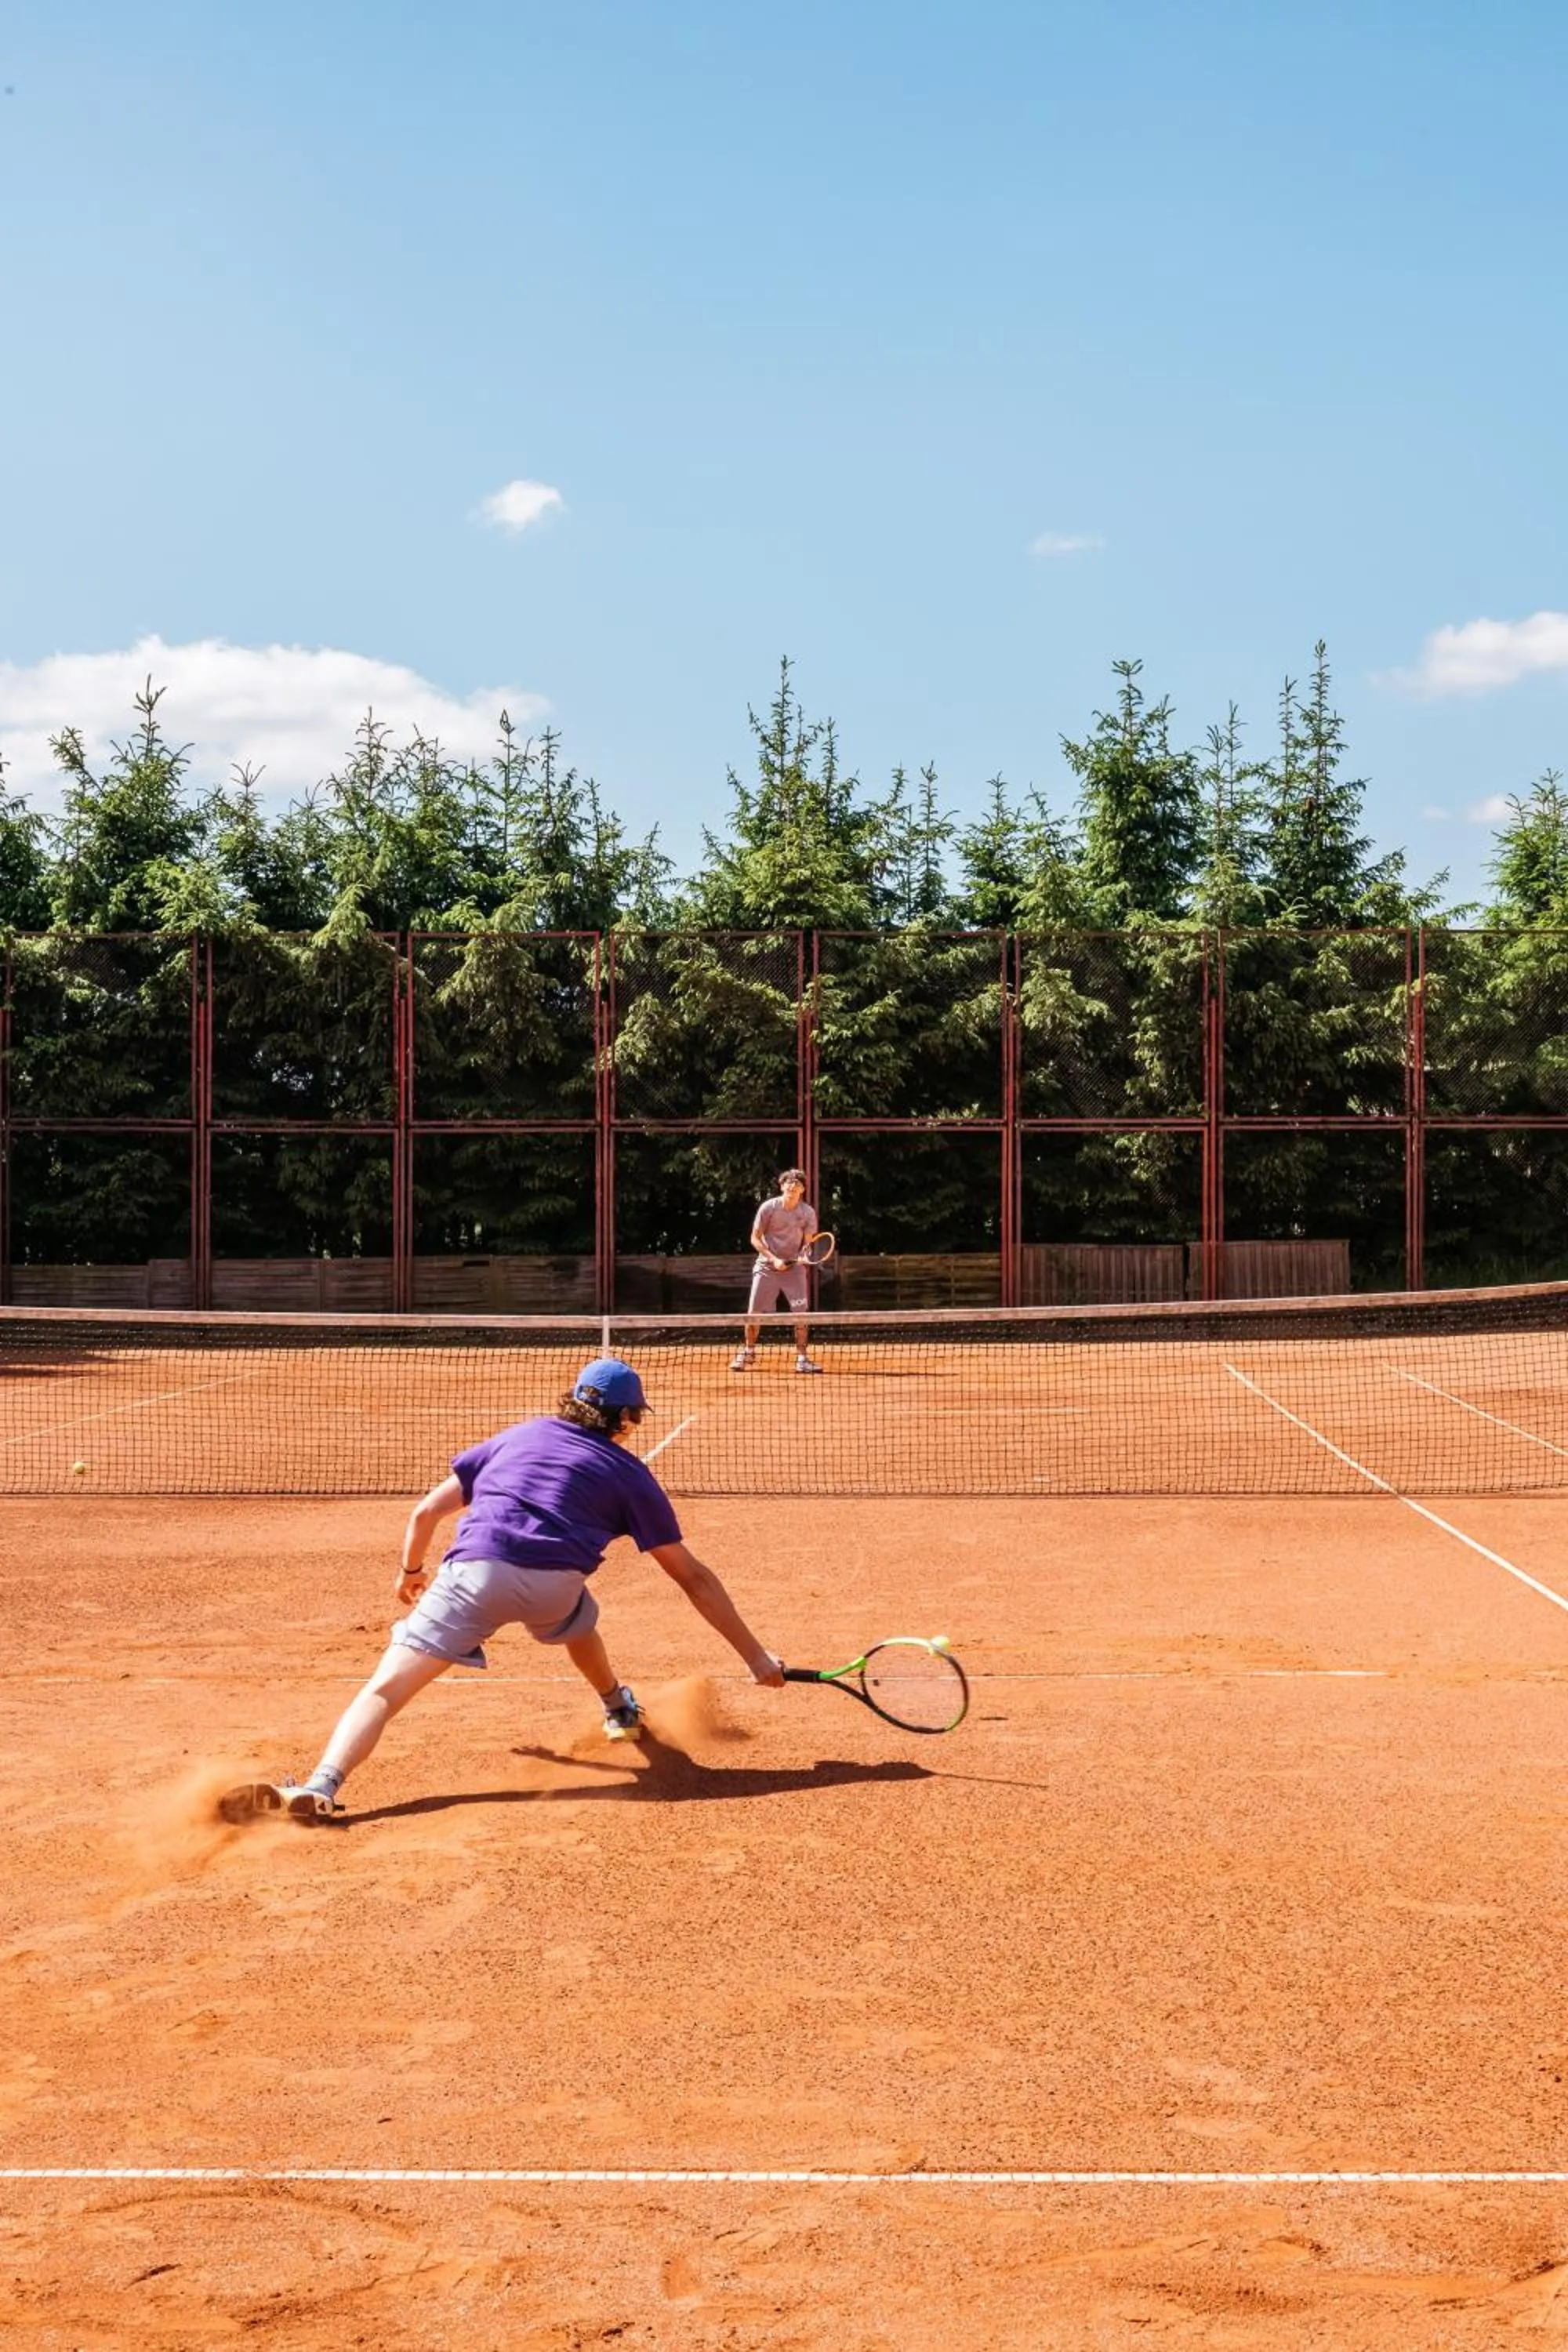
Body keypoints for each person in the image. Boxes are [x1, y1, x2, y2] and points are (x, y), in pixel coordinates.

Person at [221, 1356, 784, 1823]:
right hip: (553, 1586)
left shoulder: (519, 1435)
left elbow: (424, 1513)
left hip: (471, 1575)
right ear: (626, 1419)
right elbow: (693, 1577)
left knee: (384, 1692)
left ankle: (321, 1786)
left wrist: (411, 1570)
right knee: (578, 1619)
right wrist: (757, 1658)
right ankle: (618, 1707)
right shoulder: (629, 1473)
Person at [731, 1167, 823, 1375]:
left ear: (802, 1190)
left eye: (798, 1184)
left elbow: (807, 1242)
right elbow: (755, 1238)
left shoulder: (808, 1213)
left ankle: (802, 1358)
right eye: (789, 1182)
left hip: (795, 1271)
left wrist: (803, 1255)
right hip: (766, 1268)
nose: (793, 1186)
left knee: (801, 1315)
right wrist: (774, 1259)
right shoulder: (768, 1208)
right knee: (753, 1314)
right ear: (781, 1186)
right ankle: (748, 1352)